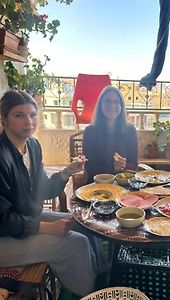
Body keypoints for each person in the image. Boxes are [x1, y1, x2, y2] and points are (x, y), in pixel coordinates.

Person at [0, 90, 107, 297]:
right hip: (5, 234)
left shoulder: (32, 146)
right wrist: (46, 227)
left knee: (85, 223)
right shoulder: (2, 157)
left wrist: (67, 172)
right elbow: (3, 221)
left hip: (24, 219)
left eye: (32, 114)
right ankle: (87, 293)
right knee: (76, 243)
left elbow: (43, 189)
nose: (28, 121)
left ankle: (100, 277)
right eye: (19, 115)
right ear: (4, 120)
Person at [83, 86, 138, 183]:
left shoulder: (130, 131)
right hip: (97, 185)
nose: (112, 106)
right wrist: (113, 169)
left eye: (116, 102)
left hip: (124, 185)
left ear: (121, 106)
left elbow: (134, 165)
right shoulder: (89, 132)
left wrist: (123, 166)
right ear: (100, 104)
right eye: (107, 101)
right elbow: (89, 167)